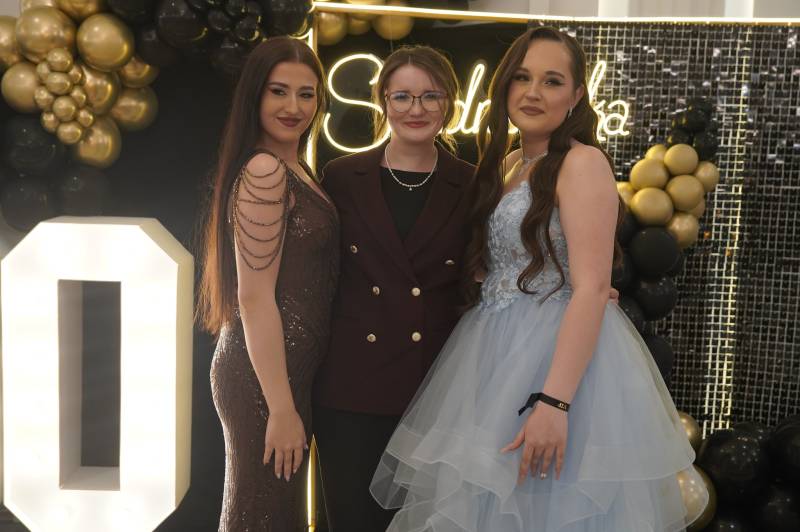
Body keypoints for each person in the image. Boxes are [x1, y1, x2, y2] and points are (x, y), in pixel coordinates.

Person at [370, 27, 707, 531]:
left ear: (576, 95)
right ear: (505, 85)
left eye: (552, 81)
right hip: (492, 356)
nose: (533, 92)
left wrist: (553, 403)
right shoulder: (512, 164)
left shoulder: (582, 162)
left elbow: (591, 287)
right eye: (522, 77)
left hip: (553, 363)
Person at [312, 46, 474, 532]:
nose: (415, 109)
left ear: (449, 103)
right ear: (383, 101)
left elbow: (489, 269)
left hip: (433, 390)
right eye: (402, 96)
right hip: (350, 390)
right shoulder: (342, 176)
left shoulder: (471, 183)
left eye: (430, 96)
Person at [196, 37, 339, 532]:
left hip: (284, 374)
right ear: (254, 95)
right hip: (264, 379)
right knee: (260, 517)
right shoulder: (264, 169)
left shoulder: (295, 167)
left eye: (306, 93)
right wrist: (280, 407)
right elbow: (254, 299)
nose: (293, 106)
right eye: (279, 91)